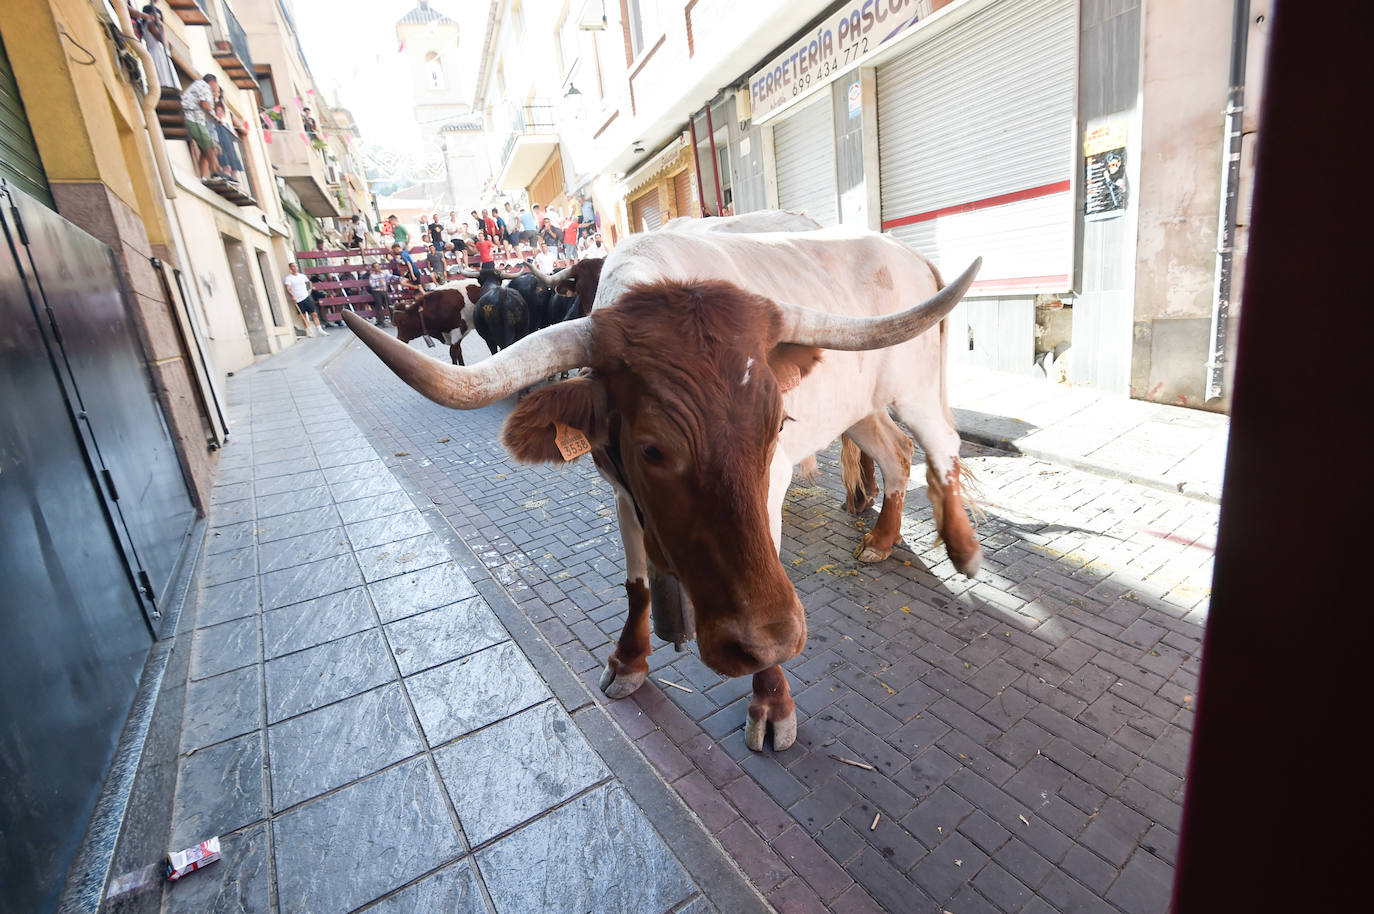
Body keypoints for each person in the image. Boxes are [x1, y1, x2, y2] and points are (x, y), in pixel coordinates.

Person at [181, 74, 222, 183]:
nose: (217, 90)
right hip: (192, 118)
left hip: (195, 119)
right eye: (217, 86)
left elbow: (203, 104)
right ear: (213, 82)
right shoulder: (204, 86)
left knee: (205, 149)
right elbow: (204, 104)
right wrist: (216, 117)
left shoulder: (199, 85)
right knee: (209, 145)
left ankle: (204, 176)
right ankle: (215, 173)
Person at [135, 4, 177, 90]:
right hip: (157, 52)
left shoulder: (146, 24)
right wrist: (162, 26)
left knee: (159, 75)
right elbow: (163, 41)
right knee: (162, 76)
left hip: (154, 51)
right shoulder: (150, 24)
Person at [284, 262, 325, 337]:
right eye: (293, 266)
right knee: (304, 316)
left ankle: (320, 330)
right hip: (298, 299)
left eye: (296, 266)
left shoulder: (302, 276)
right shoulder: (289, 278)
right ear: (290, 268)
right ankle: (309, 331)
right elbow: (288, 288)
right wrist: (292, 296)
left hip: (306, 297)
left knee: (314, 314)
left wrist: (310, 289)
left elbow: (309, 282)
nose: (295, 268)